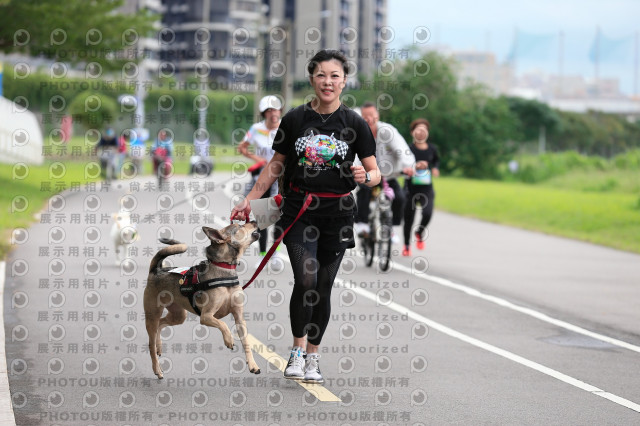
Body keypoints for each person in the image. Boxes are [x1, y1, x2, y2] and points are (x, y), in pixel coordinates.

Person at [230, 49, 380, 384]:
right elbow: (276, 165)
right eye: (322, 75)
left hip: (338, 215)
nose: (328, 82)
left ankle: (313, 356)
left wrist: (364, 177)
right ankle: (296, 351)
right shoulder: (296, 119)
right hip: (299, 212)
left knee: (324, 287)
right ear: (312, 79)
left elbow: (375, 172)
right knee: (307, 279)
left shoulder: (355, 123)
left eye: (335, 76)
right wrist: (250, 200)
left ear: (344, 81)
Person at [354, 102, 415, 237]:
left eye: (371, 115)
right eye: (365, 116)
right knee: (364, 191)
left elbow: (402, 149)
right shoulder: (358, 132)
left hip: (388, 176)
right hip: (368, 175)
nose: (368, 119)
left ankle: (391, 227)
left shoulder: (387, 131)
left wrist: (408, 166)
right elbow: (353, 155)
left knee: (399, 198)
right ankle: (362, 224)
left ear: (378, 115)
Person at [237, 95, 283, 264]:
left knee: (279, 215)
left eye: (276, 109)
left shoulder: (285, 128)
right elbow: (241, 147)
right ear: (264, 113)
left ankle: (275, 253)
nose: (273, 113)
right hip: (262, 178)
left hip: (280, 179)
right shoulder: (256, 129)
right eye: (269, 110)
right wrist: (257, 159)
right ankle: (263, 255)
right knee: (263, 217)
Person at [402, 118, 440, 256]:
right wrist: (415, 166)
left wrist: (435, 168)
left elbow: (436, 161)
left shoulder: (432, 149)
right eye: (418, 129)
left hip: (426, 189)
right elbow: (402, 165)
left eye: (424, 130)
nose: (421, 132)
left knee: (428, 213)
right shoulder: (407, 149)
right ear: (412, 132)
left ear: (427, 133)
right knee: (409, 218)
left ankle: (419, 232)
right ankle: (406, 246)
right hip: (410, 189)